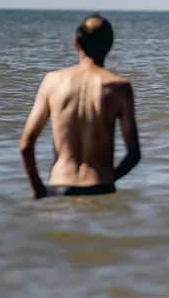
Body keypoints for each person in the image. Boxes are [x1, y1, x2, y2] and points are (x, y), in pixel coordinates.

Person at [19, 13, 141, 199]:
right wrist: (109, 177)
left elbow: (26, 144)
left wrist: (38, 189)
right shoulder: (120, 88)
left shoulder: (53, 82)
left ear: (76, 42)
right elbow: (134, 154)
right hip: (100, 187)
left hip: (60, 186)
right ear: (110, 45)